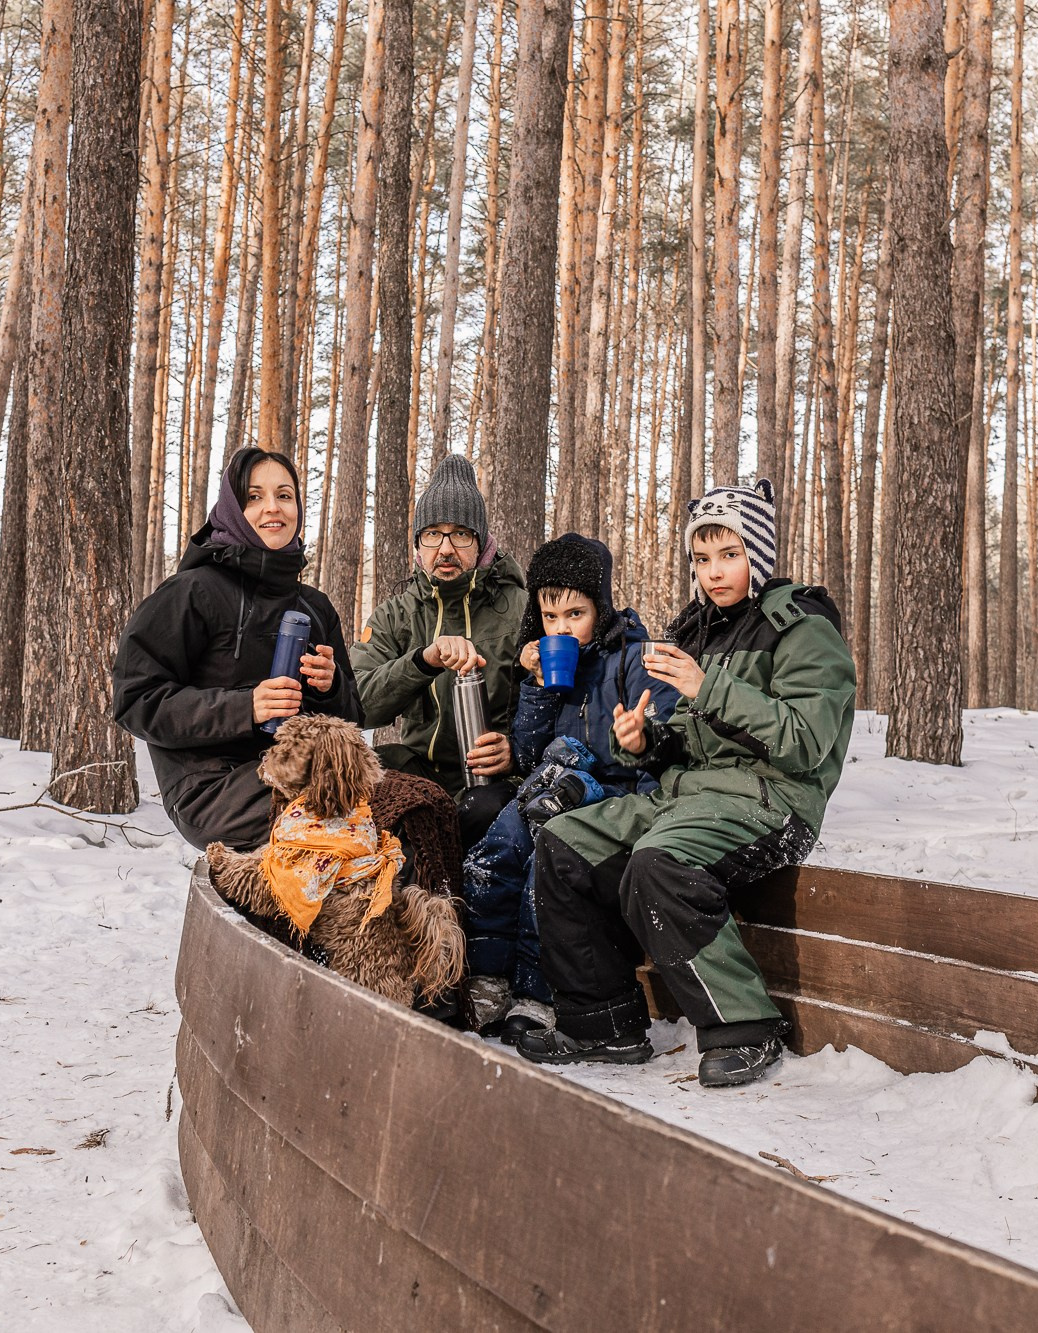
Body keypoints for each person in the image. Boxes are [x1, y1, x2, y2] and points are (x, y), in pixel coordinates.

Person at [518, 480, 856, 1089]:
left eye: (729, 554)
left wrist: (710, 688)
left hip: (772, 800)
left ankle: (745, 1026)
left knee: (659, 861)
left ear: (759, 551)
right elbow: (687, 740)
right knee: (565, 842)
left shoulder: (803, 628)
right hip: (690, 798)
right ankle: (602, 1022)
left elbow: (806, 742)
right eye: (702, 559)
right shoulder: (697, 630)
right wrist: (646, 740)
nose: (714, 572)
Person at [459, 534, 678, 1045]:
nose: (563, 629)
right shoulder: (553, 668)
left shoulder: (636, 658)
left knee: (543, 866)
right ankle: (489, 978)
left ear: (599, 608)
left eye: (575, 615)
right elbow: (531, 754)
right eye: (550, 618)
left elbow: (655, 757)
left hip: (610, 801)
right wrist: (535, 685)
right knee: (495, 850)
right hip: (547, 789)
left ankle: (537, 994)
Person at [111, 447, 361, 852]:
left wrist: (329, 687)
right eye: (254, 497)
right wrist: (247, 708)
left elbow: (352, 716)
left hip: (302, 772)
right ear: (232, 508)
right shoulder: (192, 592)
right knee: (356, 820)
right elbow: (135, 700)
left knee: (412, 801)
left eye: (284, 495)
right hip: (211, 788)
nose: (272, 508)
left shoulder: (314, 607)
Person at [351, 455, 527, 847]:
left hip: (493, 781)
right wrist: (420, 662)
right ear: (418, 543)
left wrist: (516, 752)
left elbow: (558, 702)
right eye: (433, 534)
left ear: (480, 541)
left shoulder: (520, 610)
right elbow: (357, 702)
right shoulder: (397, 614)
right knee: (365, 776)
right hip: (420, 772)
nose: (445, 549)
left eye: (460, 534)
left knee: (482, 812)